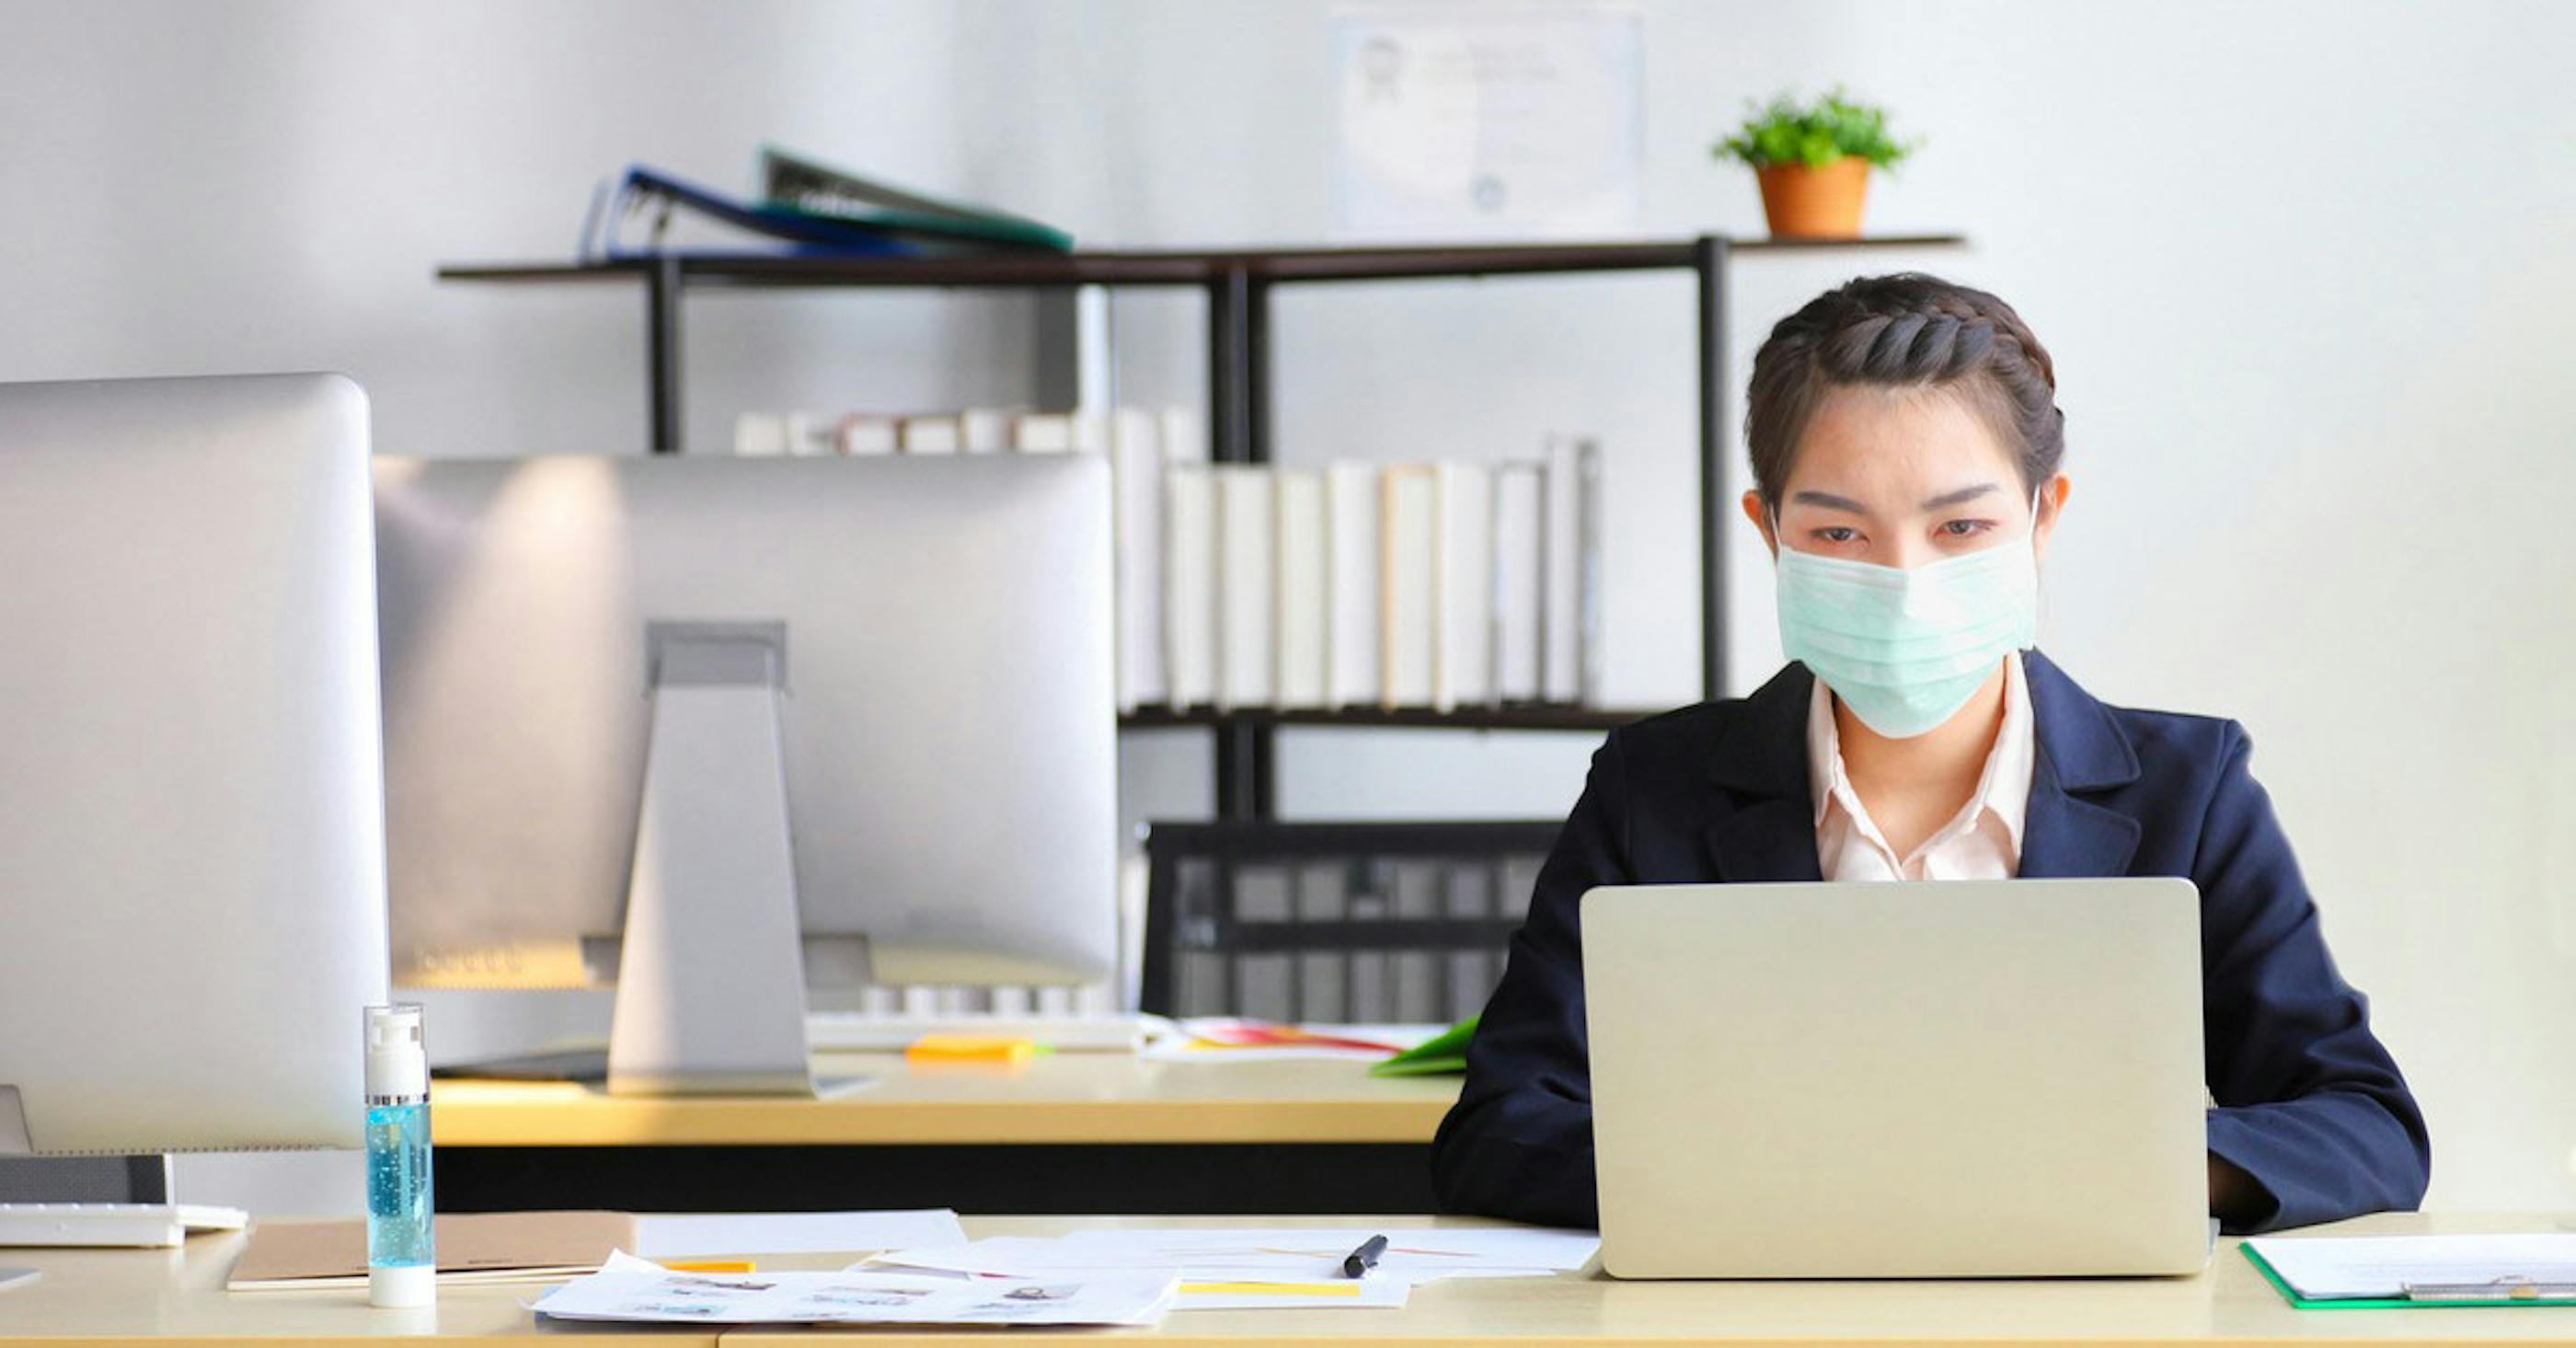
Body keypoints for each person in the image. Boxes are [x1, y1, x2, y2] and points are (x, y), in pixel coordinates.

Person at [1429, 273, 2429, 1235]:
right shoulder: (1655, 787)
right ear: (1768, 531)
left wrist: (2102, 1168)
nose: (1905, 577)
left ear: (2044, 519)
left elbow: (2363, 1125)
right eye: (1839, 530)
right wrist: (1821, 1175)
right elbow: (1502, 1128)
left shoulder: (2189, 788)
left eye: (1961, 525)